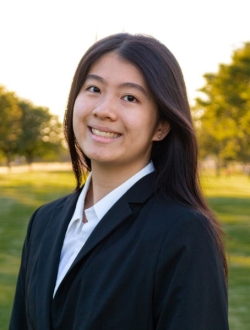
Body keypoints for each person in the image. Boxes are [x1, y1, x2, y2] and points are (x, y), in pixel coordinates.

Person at [10, 33, 229, 330]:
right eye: (94, 89)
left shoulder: (184, 233)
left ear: (161, 126)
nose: (103, 110)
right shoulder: (44, 222)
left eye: (130, 97)